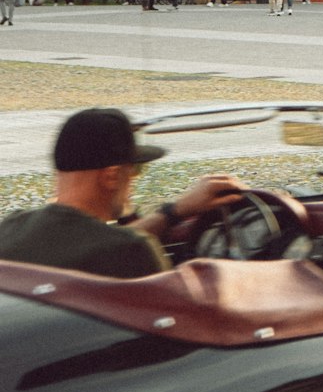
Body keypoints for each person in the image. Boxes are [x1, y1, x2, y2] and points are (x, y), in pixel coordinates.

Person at [0, 107, 245, 279]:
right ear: (112, 176)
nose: (135, 177)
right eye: (135, 169)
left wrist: (172, 212)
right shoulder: (132, 250)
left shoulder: (10, 228)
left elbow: (86, 240)